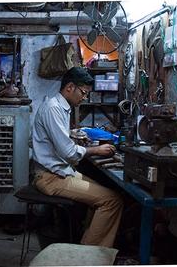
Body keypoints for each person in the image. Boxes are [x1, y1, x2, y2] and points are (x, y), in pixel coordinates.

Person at [32, 67, 123, 248]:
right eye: (83, 92)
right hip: (51, 177)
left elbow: (58, 141)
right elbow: (68, 152)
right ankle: (87, 257)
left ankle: (88, 241)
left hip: (61, 172)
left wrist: (72, 134)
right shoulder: (53, 109)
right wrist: (96, 150)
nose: (84, 97)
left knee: (104, 191)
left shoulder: (61, 108)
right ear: (70, 87)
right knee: (112, 200)